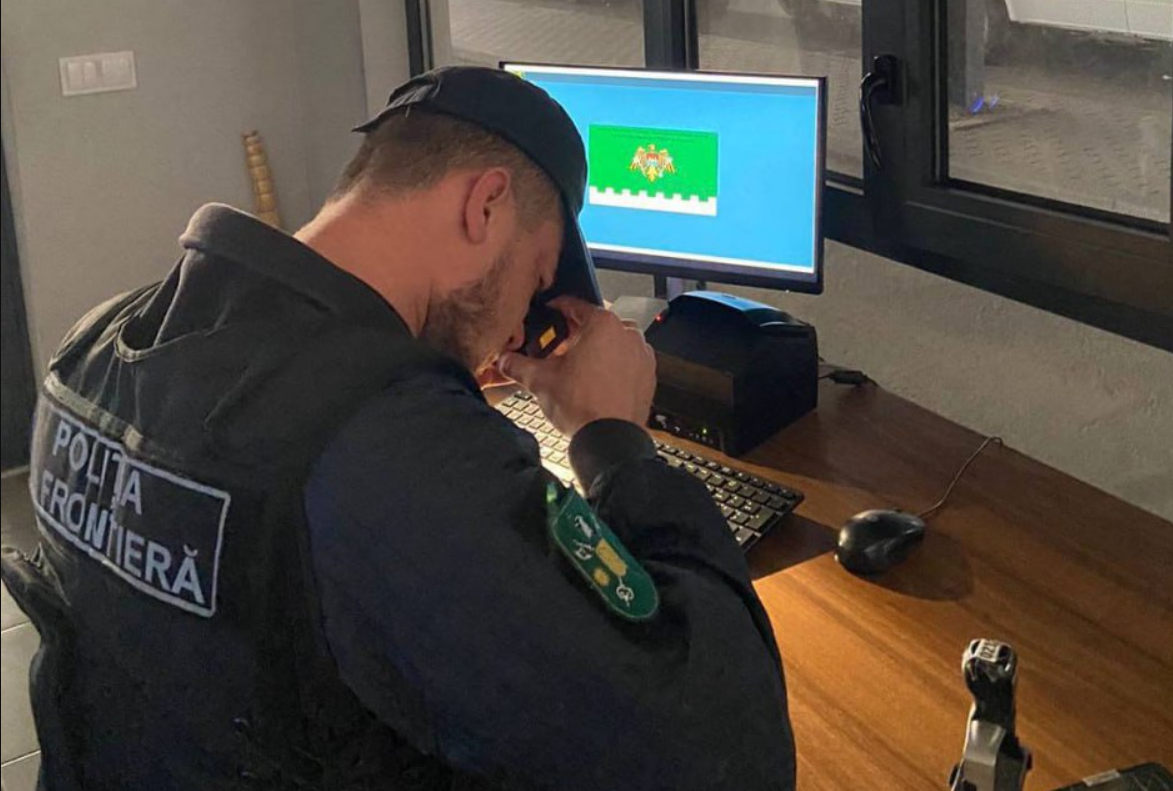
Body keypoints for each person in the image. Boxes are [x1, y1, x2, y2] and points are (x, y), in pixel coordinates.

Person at [0, 66, 796, 790]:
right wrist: (613, 438)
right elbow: (725, 752)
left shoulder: (95, 344)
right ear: (484, 205)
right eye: (536, 273)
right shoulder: (382, 443)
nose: (521, 320)